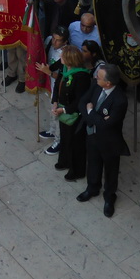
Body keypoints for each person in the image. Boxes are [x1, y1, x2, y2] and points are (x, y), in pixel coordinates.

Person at [77, 63, 130, 217]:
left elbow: (108, 125)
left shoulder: (120, 100)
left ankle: (109, 197)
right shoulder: (96, 85)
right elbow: (83, 101)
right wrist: (94, 117)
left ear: (108, 83)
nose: (95, 78)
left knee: (111, 170)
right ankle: (92, 188)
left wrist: (90, 111)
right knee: (93, 163)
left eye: (99, 77)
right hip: (92, 135)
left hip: (109, 142)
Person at [52, 44, 91, 182]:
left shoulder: (82, 76)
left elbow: (80, 100)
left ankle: (77, 170)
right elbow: (57, 85)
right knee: (65, 138)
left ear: (69, 59)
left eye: (62, 56)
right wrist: (55, 102)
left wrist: (63, 109)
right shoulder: (64, 68)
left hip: (75, 114)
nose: (60, 58)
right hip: (63, 110)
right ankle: (65, 161)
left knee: (76, 143)